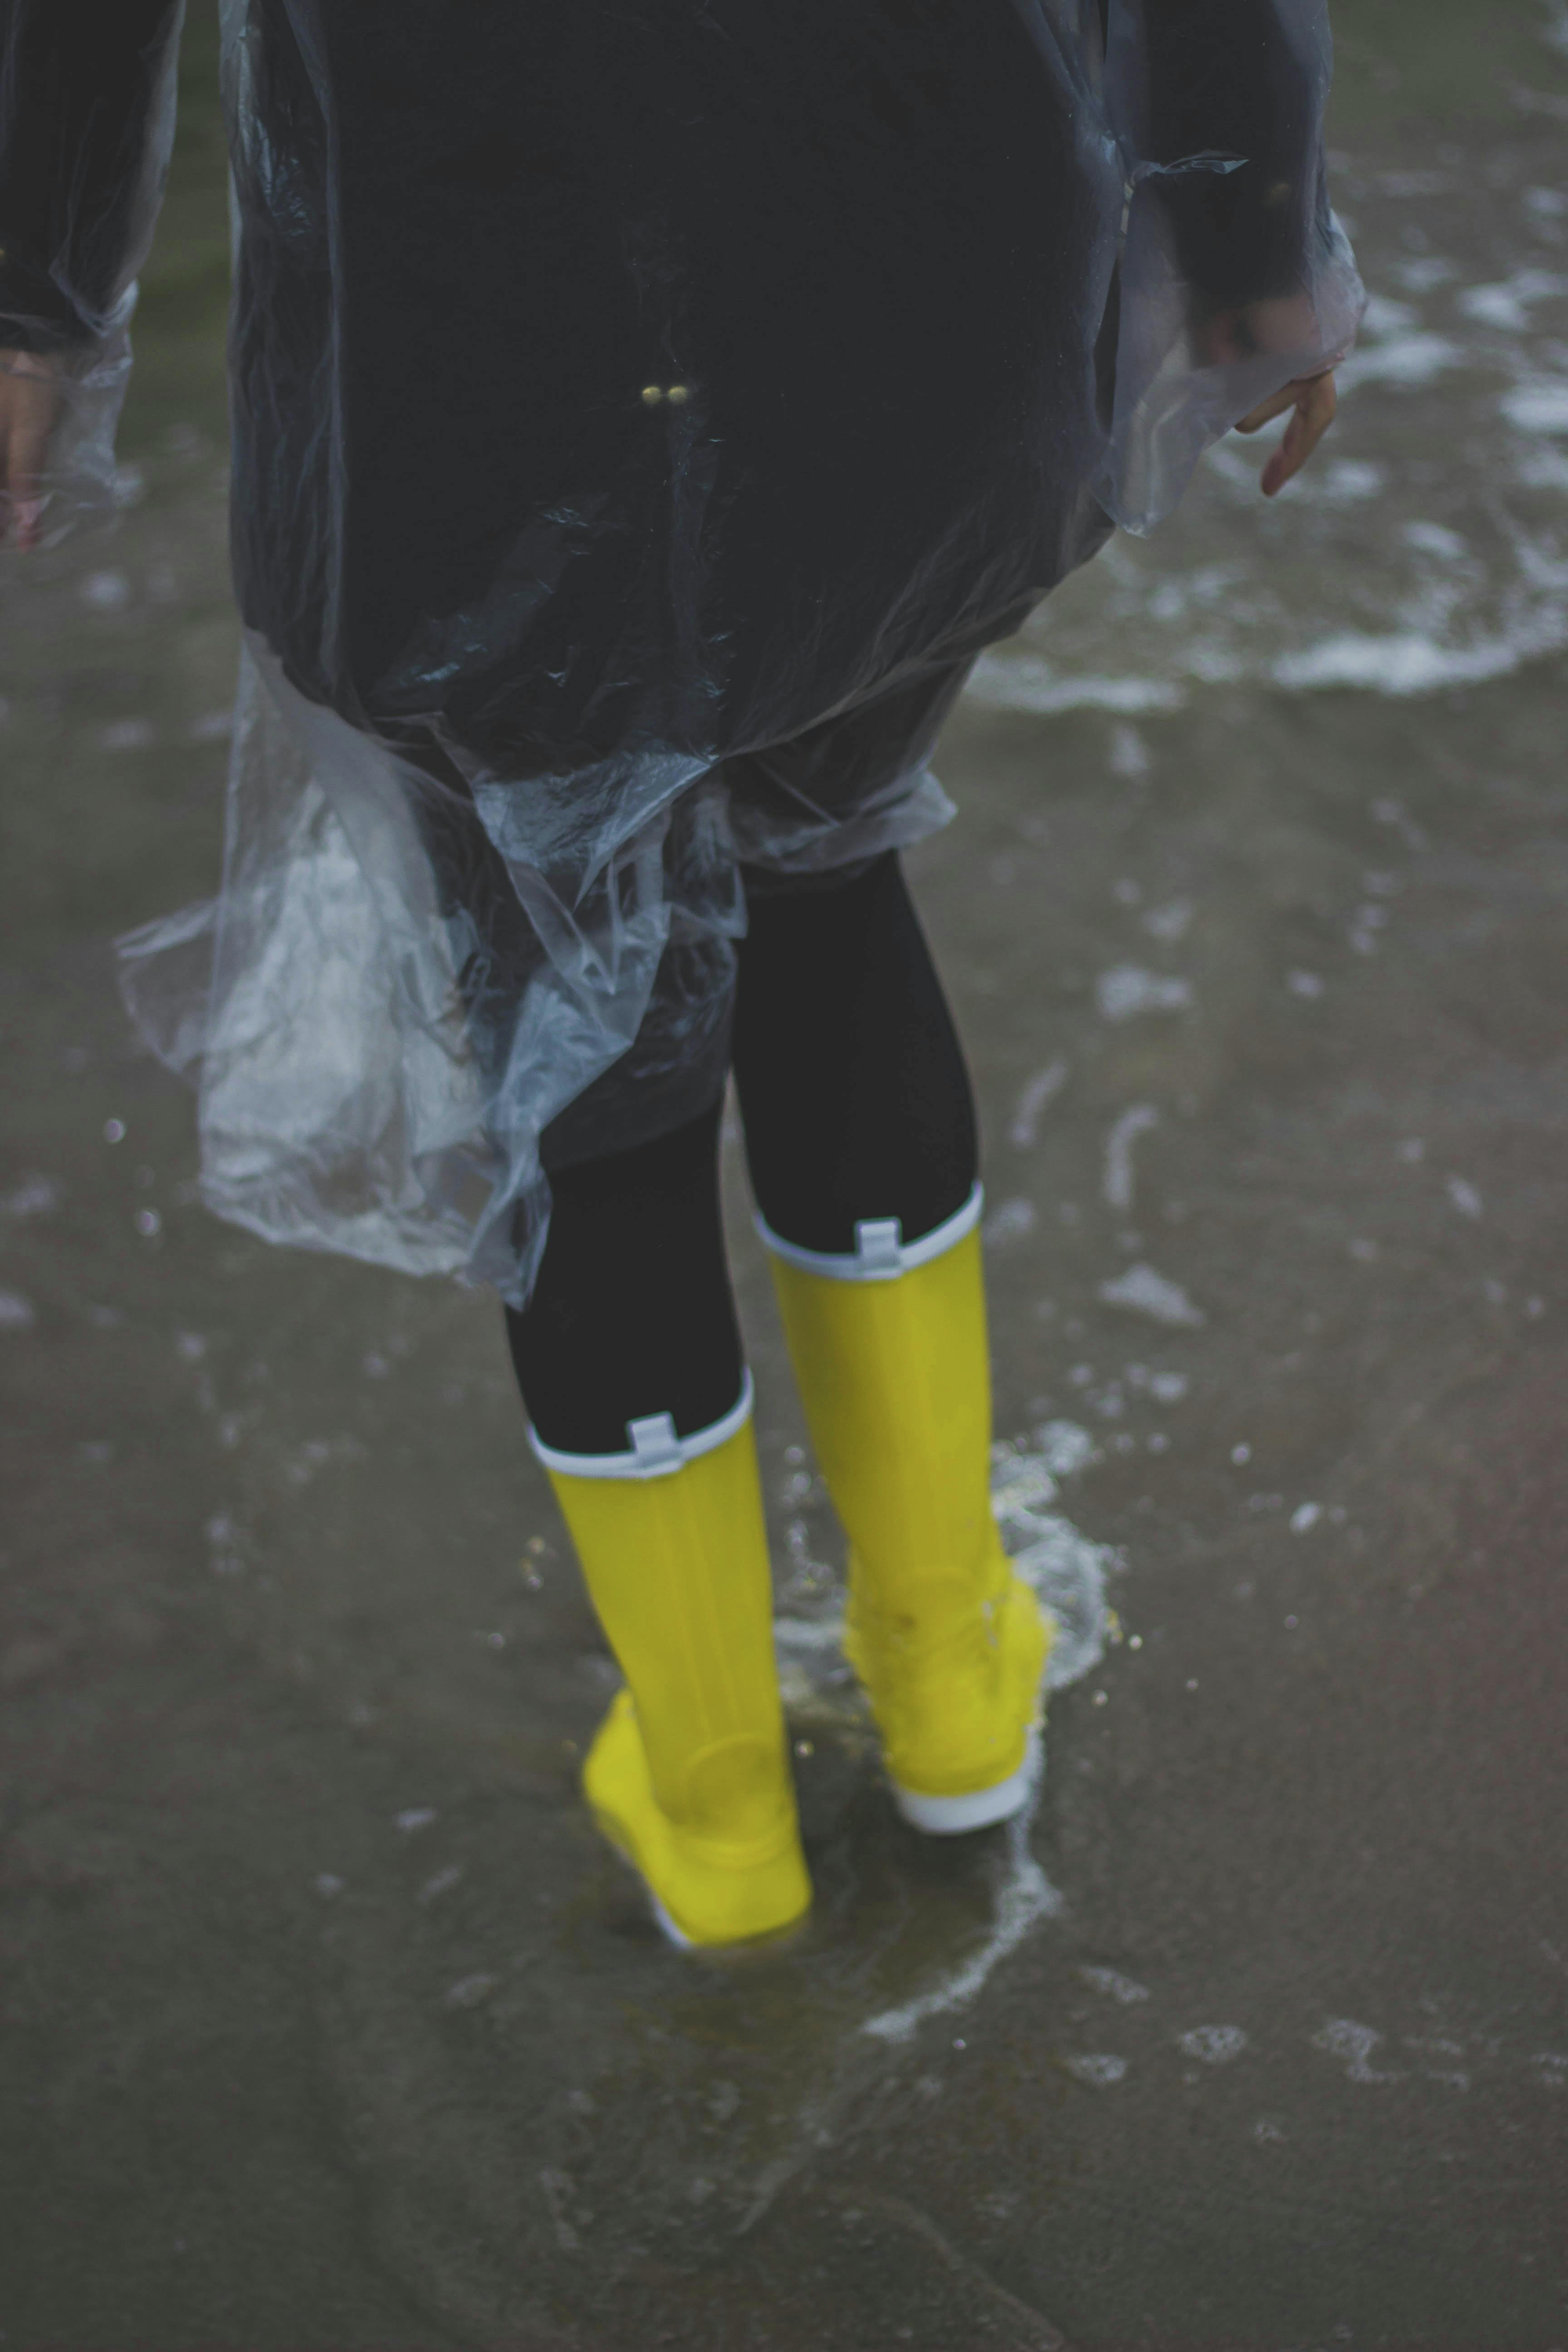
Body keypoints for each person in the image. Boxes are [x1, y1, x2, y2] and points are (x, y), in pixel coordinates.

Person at [1, 0, 1361, 1950]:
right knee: (827, 870)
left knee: (589, 1053)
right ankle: (953, 1665)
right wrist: (1252, 236)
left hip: (469, 325)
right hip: (933, 250)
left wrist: (40, 292)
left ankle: (721, 1801)